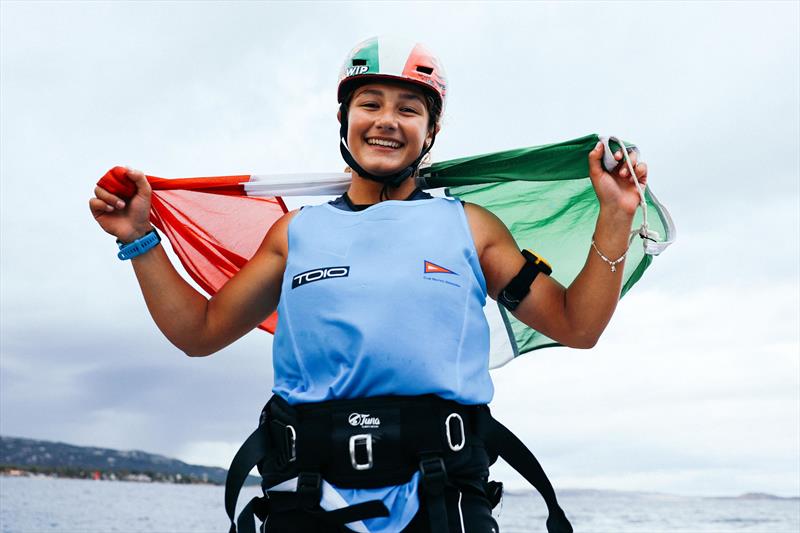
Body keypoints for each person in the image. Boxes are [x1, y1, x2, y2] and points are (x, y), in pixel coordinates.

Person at [90, 36, 647, 533]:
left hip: (441, 499)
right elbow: (200, 332)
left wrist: (617, 214)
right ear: (344, 119)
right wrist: (138, 239)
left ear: (431, 132)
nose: (387, 120)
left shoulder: (470, 227)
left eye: (409, 109)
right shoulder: (296, 234)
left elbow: (576, 325)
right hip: (306, 500)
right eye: (370, 104)